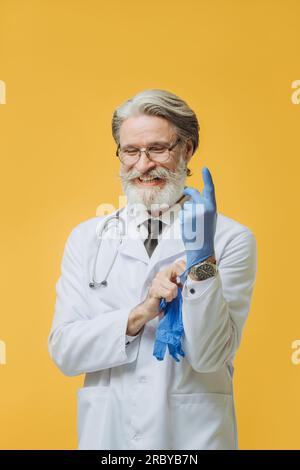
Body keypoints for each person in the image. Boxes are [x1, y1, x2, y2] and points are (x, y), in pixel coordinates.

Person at [48, 89, 257, 450]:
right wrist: (140, 313)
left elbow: (209, 356)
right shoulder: (88, 238)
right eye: (131, 151)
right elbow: (65, 351)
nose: (144, 165)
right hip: (109, 439)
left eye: (158, 148)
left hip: (192, 440)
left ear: (187, 149)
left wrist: (202, 262)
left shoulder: (230, 238)